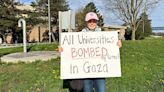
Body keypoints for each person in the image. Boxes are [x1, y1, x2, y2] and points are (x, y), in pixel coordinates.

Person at [81, 12, 122, 92]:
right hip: (85, 71)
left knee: (101, 90)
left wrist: (118, 43)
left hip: (100, 70)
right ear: (86, 22)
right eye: (90, 21)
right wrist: (63, 49)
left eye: (94, 21)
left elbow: (111, 47)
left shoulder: (103, 34)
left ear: (97, 22)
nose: (92, 23)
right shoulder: (80, 35)